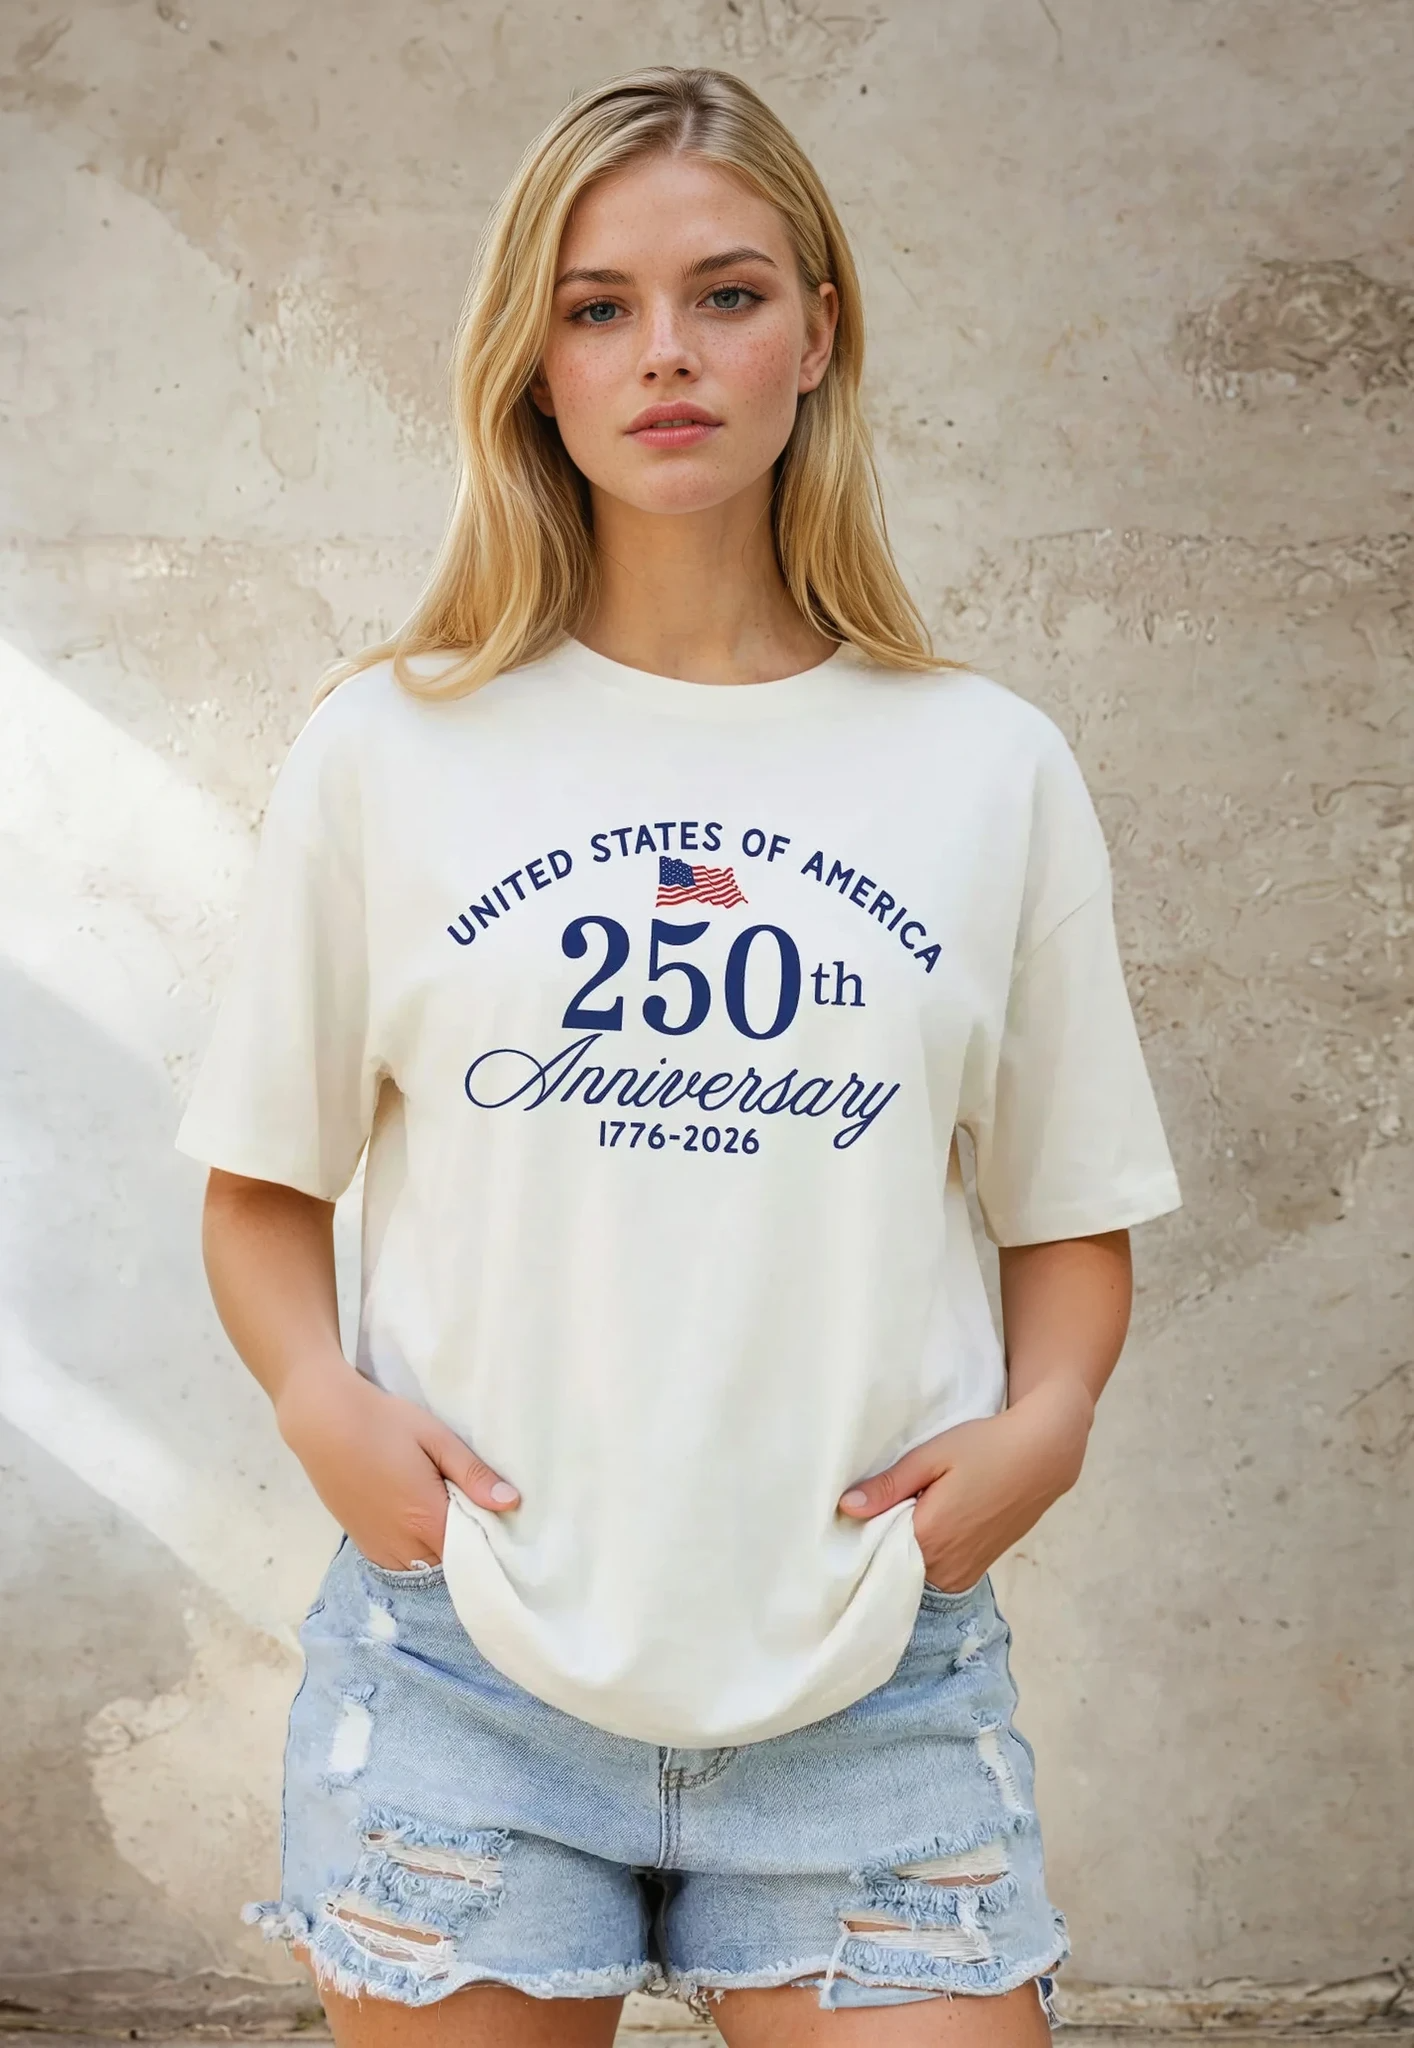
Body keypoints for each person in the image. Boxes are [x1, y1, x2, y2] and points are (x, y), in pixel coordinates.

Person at [176, 65, 1181, 2048]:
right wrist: (317, 1401)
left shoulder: (983, 766)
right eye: (596, 306)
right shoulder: (389, 747)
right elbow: (261, 1181)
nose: (664, 353)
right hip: (467, 1672)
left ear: (816, 334)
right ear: (531, 364)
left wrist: (1046, 1424)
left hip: (870, 1684)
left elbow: (1067, 1209)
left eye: (726, 294)